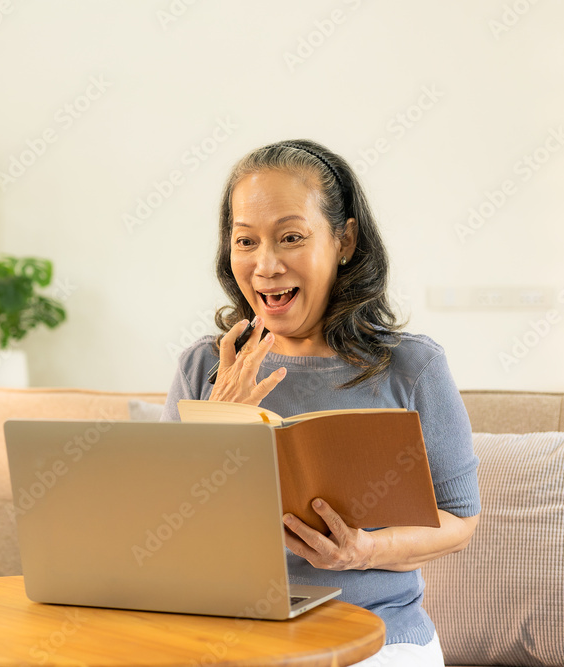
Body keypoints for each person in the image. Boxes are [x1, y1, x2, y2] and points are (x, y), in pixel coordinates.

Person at [159, 139, 480, 666]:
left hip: (377, 641)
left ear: (343, 239)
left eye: (290, 237)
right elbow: (164, 537)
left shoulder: (411, 368)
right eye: (245, 241)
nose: (265, 265)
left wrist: (364, 552)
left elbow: (460, 521)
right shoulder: (204, 367)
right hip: (233, 640)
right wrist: (217, 420)